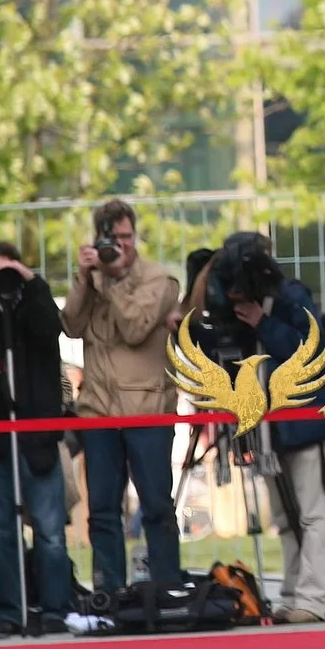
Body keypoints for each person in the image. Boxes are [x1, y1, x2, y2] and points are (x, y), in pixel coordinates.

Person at [197, 231, 325, 623]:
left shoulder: (291, 296)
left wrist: (264, 323)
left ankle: (315, 600)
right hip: (266, 430)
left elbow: (314, 350)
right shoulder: (229, 303)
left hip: (302, 423)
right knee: (285, 519)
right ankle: (293, 594)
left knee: (313, 515)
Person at [60, 198, 184, 596]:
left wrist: (113, 282)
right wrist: (85, 277)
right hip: (98, 410)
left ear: (136, 236)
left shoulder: (160, 280)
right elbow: (72, 327)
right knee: (102, 513)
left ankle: (165, 590)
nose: (122, 246)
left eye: (127, 237)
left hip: (147, 409)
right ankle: (109, 594)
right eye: (113, 239)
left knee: (157, 508)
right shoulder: (93, 279)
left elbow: (134, 329)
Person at [0, 242, 76, 634]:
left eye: (8, 271)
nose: (2, 279)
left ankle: (55, 608)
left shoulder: (33, 305)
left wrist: (31, 283)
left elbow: (50, 327)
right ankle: (9, 611)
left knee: (50, 530)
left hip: (37, 435)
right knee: (2, 531)